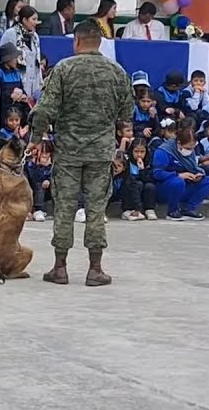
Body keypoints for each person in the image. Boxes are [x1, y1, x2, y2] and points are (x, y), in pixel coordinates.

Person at [31, 19, 133, 286]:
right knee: (96, 210)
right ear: (99, 42)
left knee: (64, 208)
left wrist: (35, 138)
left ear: (76, 41)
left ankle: (60, 267)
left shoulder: (64, 69)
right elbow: (126, 115)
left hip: (68, 152)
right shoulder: (117, 71)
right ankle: (95, 269)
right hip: (101, 152)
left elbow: (44, 110)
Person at [0, 5, 44, 100]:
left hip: (33, 83)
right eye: (34, 19)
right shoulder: (10, 33)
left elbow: (37, 61)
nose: (36, 23)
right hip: (15, 83)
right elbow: (3, 57)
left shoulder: (35, 36)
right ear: (24, 20)